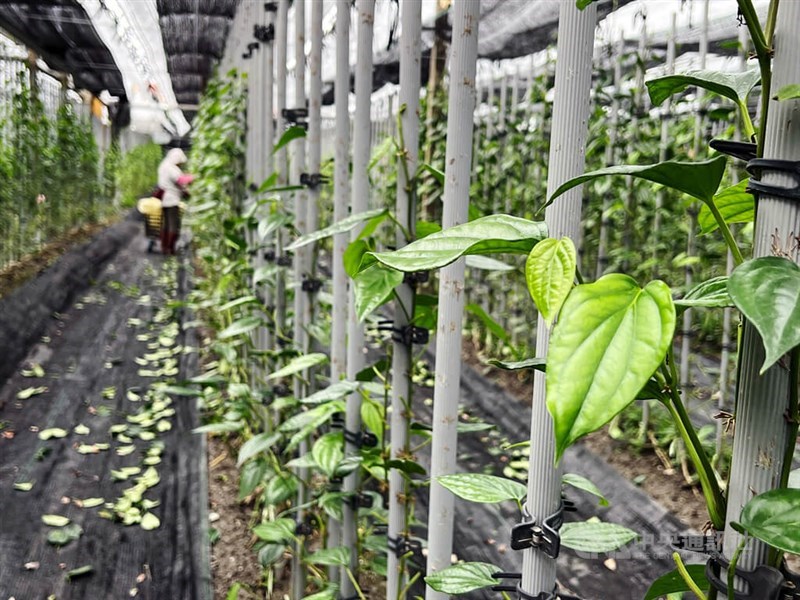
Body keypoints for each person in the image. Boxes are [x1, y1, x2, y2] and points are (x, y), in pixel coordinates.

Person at [157, 148, 189, 255]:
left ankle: (164, 247)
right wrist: (193, 177)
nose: (180, 165)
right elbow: (180, 180)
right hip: (172, 200)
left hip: (164, 198)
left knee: (166, 224)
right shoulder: (171, 168)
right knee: (173, 225)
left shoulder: (164, 165)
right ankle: (170, 248)